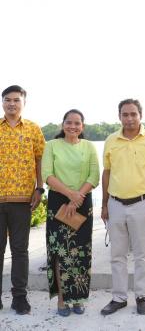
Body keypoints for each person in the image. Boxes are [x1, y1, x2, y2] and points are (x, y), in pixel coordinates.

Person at [100, 99, 145, 316]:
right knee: (117, 254)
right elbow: (107, 173)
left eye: (133, 114)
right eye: (125, 114)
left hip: (142, 204)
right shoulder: (111, 140)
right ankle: (119, 297)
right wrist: (104, 204)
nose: (129, 118)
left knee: (141, 254)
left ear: (140, 115)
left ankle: (142, 296)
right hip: (115, 204)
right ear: (119, 116)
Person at [42, 109, 99, 316]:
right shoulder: (52, 145)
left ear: (82, 126)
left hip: (83, 203)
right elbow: (47, 175)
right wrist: (70, 195)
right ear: (62, 124)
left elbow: (94, 176)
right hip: (58, 202)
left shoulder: (89, 146)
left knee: (81, 252)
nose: (72, 126)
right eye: (69, 122)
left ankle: (78, 298)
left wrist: (77, 197)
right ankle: (62, 299)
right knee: (60, 253)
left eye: (77, 123)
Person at [0, 85, 45, 315]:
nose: (11, 104)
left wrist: (40, 188)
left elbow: (40, 160)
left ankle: (19, 297)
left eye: (16, 100)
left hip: (22, 200)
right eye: (7, 99)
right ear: (2, 102)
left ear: (23, 103)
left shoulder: (33, 129)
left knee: (20, 250)